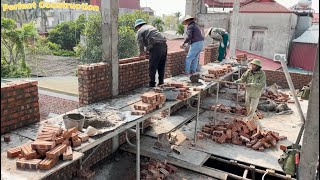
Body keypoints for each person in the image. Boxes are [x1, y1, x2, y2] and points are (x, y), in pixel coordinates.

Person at [135, 19, 168, 88]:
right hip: (164, 45)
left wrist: (141, 53)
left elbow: (140, 44)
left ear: (138, 26)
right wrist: (148, 50)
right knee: (161, 65)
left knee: (152, 66)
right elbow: (150, 40)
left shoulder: (140, 31)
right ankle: (161, 82)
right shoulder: (151, 27)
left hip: (156, 46)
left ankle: (152, 84)